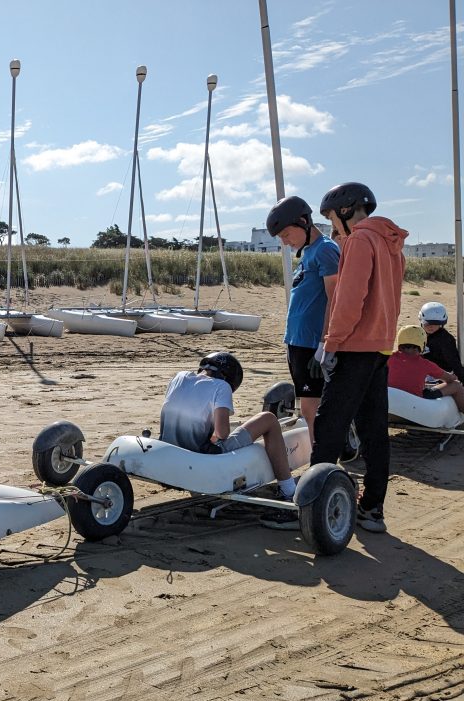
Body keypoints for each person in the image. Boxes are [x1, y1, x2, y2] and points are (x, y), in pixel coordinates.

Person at [312, 182, 406, 534]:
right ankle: (372, 509)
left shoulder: (360, 240)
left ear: (347, 210)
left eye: (333, 218)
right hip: (381, 347)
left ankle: (313, 504)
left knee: (330, 424)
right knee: (373, 430)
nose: (333, 226)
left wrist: (332, 343)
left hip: (354, 347)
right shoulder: (390, 242)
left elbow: (350, 299)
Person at [159, 351, 299, 530]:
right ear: (229, 379)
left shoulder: (180, 377)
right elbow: (222, 433)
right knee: (269, 419)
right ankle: (288, 490)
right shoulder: (221, 386)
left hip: (168, 447)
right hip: (203, 455)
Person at [267, 196, 340, 444]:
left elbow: (335, 299)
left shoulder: (326, 250)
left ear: (304, 222)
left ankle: (321, 460)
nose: (285, 242)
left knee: (312, 408)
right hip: (297, 341)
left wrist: (324, 344)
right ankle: (317, 453)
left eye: (287, 234)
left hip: (312, 343)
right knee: (307, 407)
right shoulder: (309, 251)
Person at [388, 325, 464, 412]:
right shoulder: (425, 364)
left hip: (391, 401)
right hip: (416, 403)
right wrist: (454, 376)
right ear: (423, 344)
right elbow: (449, 379)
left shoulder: (388, 358)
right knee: (456, 385)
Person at [419, 301, 464, 381]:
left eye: (435, 324)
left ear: (442, 324)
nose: (431, 327)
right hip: (421, 371)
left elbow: (453, 361)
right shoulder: (416, 334)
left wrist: (461, 379)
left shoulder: (445, 339)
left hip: (440, 375)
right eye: (427, 323)